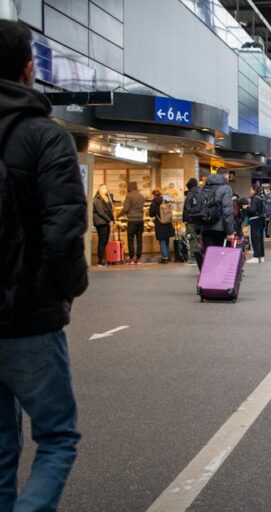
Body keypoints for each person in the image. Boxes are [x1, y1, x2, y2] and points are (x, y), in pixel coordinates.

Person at [0, 19, 88, 511]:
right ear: (29, 69)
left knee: (0, 448)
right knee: (56, 436)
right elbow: (64, 229)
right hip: (27, 313)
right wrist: (67, 290)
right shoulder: (45, 137)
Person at [200, 171, 235, 251]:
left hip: (205, 228)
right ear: (225, 176)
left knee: (209, 255)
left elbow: (199, 209)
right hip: (220, 229)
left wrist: (198, 230)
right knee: (221, 255)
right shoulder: (226, 188)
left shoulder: (203, 188)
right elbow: (227, 212)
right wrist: (230, 232)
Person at [120, 181, 145, 264]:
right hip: (140, 220)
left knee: (130, 239)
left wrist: (118, 215)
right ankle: (139, 258)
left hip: (132, 221)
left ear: (130, 187)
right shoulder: (141, 196)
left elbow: (126, 208)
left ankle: (131, 258)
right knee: (139, 239)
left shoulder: (129, 195)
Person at [149, 189, 174, 264]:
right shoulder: (165, 200)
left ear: (153, 195)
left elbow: (151, 214)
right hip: (168, 222)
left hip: (160, 223)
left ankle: (165, 257)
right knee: (166, 240)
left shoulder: (154, 202)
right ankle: (168, 256)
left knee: (162, 241)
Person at [93, 183, 115, 267]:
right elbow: (101, 212)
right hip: (101, 222)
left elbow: (109, 211)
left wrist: (112, 219)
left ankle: (102, 259)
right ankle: (100, 260)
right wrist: (109, 220)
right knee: (102, 241)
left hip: (105, 221)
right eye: (103, 188)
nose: (105, 190)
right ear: (99, 190)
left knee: (105, 241)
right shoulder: (97, 199)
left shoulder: (106, 198)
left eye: (106, 188)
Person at [182, 178, 203, 267]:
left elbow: (187, 207)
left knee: (192, 238)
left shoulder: (190, 194)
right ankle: (201, 256)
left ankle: (194, 258)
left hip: (191, 219)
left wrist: (185, 218)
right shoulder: (201, 192)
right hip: (200, 219)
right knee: (200, 238)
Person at [246, 185, 266, 263]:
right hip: (261, 219)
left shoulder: (254, 198)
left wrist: (246, 208)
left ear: (254, 190)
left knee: (254, 238)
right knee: (260, 239)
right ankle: (261, 256)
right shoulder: (261, 198)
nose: (250, 191)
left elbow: (252, 210)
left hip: (255, 220)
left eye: (251, 189)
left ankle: (256, 257)